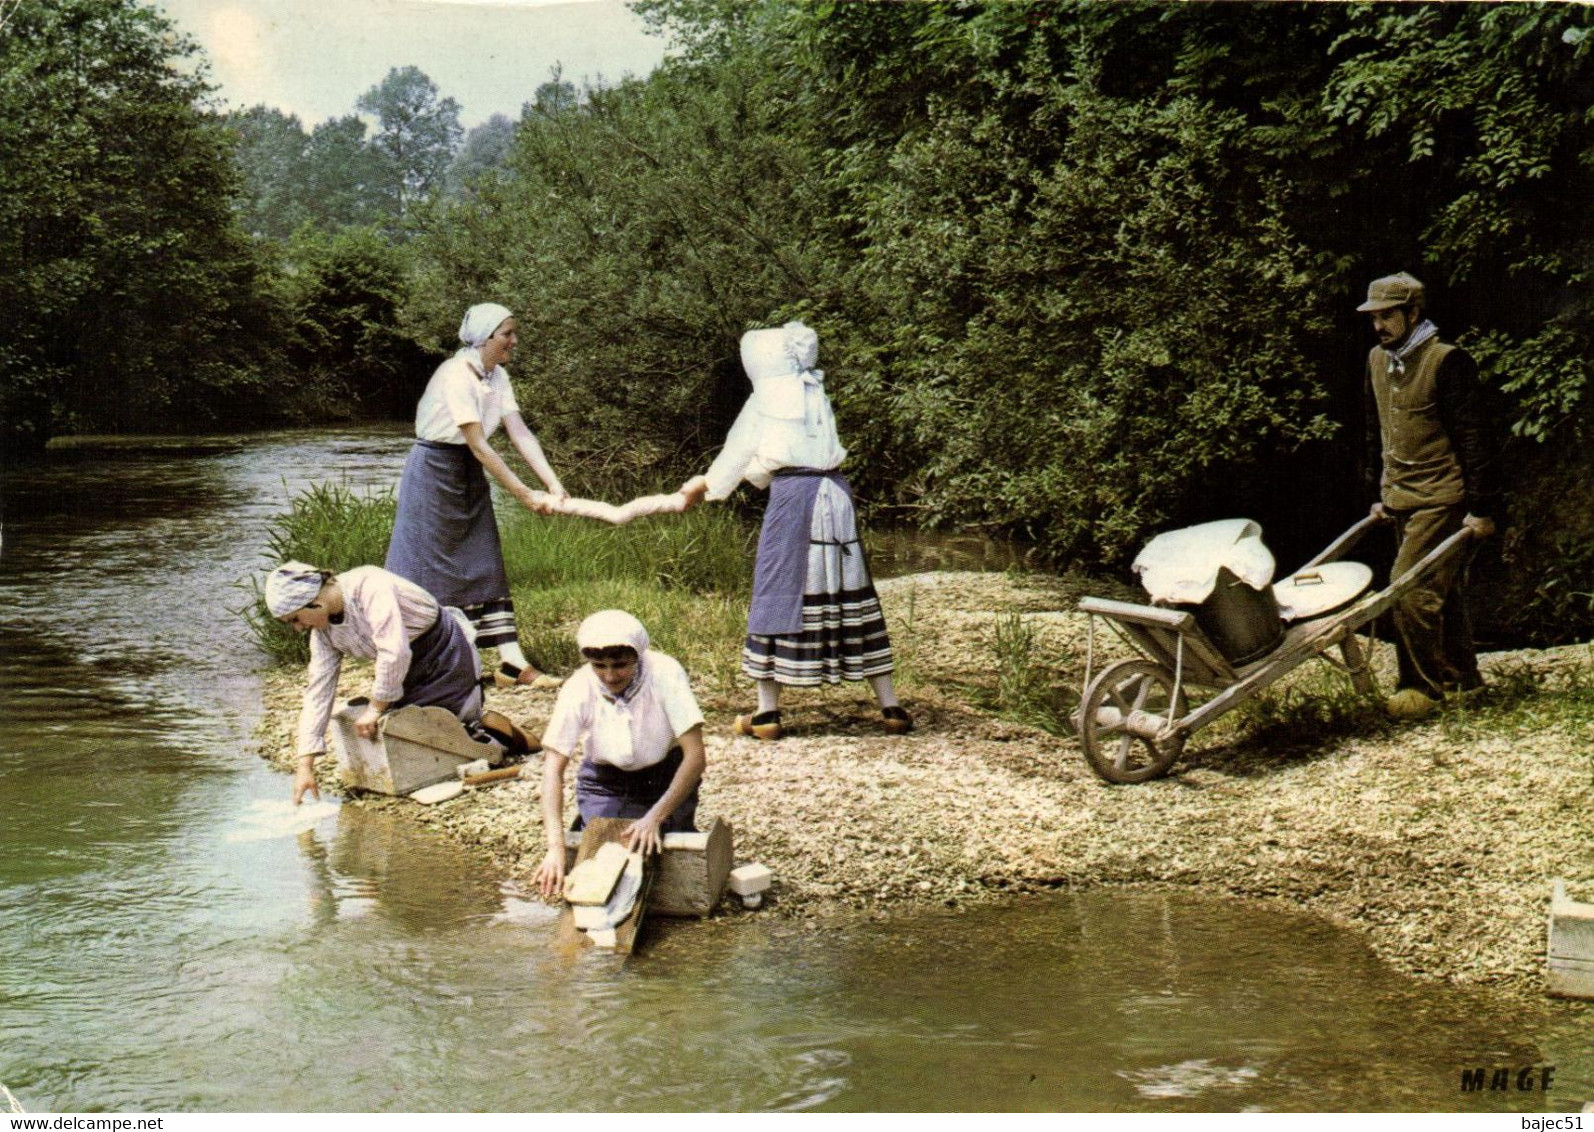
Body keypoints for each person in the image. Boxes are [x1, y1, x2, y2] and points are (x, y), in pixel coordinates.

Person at [678, 321, 911, 740]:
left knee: (777, 588)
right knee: (848, 588)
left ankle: (767, 714)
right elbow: (789, 451)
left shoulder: (766, 397)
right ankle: (890, 706)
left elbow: (739, 452)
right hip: (836, 494)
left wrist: (702, 487)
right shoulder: (813, 392)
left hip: (795, 498)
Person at [384, 302, 565, 689]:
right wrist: (522, 494)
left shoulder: (496, 376)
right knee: (422, 569)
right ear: (485, 338)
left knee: (484, 559)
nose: (514, 341)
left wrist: (552, 483)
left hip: (467, 471)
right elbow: (480, 444)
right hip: (434, 472)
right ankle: (418, 660)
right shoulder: (455, 375)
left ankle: (512, 663)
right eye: (508, 334)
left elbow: (519, 432)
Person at [1358, 272, 1502, 720]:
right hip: (1400, 496)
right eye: (1374, 317)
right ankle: (1463, 678)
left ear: (1413, 313)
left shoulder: (1447, 361)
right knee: (1443, 593)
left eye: (1389, 316)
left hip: (1442, 497)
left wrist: (1481, 507)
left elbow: (1475, 438)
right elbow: (1374, 431)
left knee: (1409, 591)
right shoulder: (1377, 361)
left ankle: (1423, 687)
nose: (1380, 326)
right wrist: (1376, 492)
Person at [264, 561, 526, 804]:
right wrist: (305, 766)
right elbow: (318, 690)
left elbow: (394, 651)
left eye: (296, 619)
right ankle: (481, 728)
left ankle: (507, 739)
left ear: (314, 602)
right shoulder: (323, 633)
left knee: (443, 727)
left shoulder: (369, 586)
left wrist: (376, 708)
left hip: (441, 652)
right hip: (404, 670)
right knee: (404, 731)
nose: (298, 628)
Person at [532, 610, 707, 898]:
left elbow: (696, 757)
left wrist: (655, 818)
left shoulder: (665, 673)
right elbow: (552, 769)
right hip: (606, 781)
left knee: (659, 850)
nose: (610, 675)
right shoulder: (578, 686)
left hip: (665, 776)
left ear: (637, 656)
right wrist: (556, 848)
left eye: (620, 665)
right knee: (609, 853)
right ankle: (590, 824)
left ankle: (669, 820)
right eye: (599, 665)